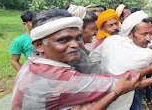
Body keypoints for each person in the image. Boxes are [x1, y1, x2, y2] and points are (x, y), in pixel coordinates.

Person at [11, 9, 141, 109]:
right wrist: (151, 75)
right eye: (63, 40)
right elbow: (122, 82)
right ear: (39, 45)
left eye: (78, 38)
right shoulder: (63, 79)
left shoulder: (31, 61)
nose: (75, 44)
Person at [90, 11, 152, 110]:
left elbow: (92, 59)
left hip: (97, 98)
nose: (148, 38)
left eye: (149, 33)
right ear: (130, 32)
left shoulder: (111, 40)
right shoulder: (145, 54)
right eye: (144, 34)